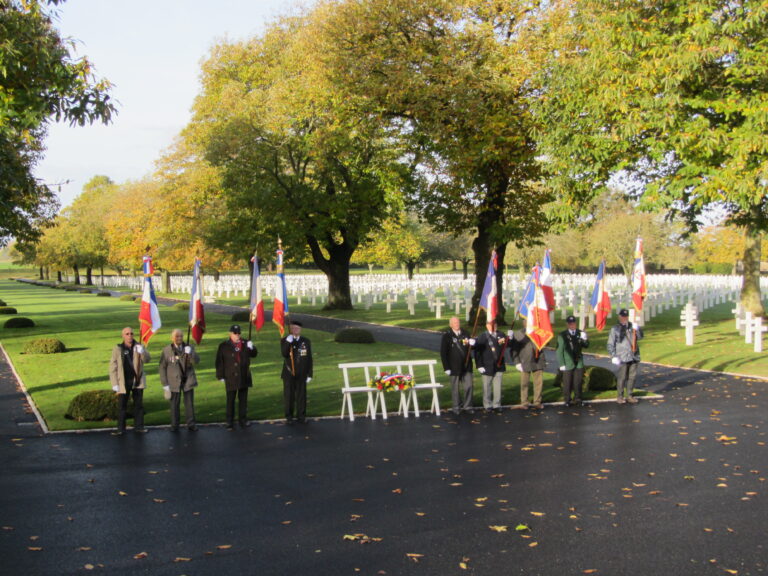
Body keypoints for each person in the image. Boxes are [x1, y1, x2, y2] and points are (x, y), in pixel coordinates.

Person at [109, 326, 151, 435]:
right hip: (123, 381)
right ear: (123, 336)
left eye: (131, 333)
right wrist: (114, 384)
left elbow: (147, 360)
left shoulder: (139, 346)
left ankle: (139, 427)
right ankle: (120, 429)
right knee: (122, 406)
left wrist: (142, 352)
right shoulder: (118, 348)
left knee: (138, 405)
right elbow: (113, 367)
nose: (130, 336)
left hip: (137, 380)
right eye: (127, 334)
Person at [215, 325, 257, 429]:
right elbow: (219, 361)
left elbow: (254, 354)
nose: (237, 335)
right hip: (230, 375)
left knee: (243, 400)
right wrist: (220, 375)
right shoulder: (224, 345)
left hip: (244, 375)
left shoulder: (246, 343)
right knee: (230, 399)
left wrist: (252, 347)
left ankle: (243, 420)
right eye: (235, 333)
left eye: (238, 333)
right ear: (230, 334)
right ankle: (229, 421)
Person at [158, 328, 200, 431]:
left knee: (189, 403)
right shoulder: (167, 350)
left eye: (181, 336)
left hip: (188, 379)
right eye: (177, 336)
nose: (179, 338)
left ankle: (191, 424)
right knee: (174, 404)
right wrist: (165, 384)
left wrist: (191, 354)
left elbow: (197, 361)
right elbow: (162, 367)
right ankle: (174, 425)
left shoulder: (189, 347)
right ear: (172, 338)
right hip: (173, 381)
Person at [440, 316, 475, 414]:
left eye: (458, 322)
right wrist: (446, 367)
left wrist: (473, 344)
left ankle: (468, 406)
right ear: (450, 324)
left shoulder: (465, 333)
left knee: (469, 386)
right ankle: (456, 407)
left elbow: (470, 348)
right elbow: (443, 353)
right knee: (455, 388)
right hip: (453, 366)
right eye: (454, 323)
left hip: (467, 365)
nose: (457, 324)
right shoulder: (447, 335)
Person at [607, 308, 643, 404]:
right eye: (622, 317)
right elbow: (610, 343)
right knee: (622, 377)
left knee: (632, 377)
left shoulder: (632, 326)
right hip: (622, 356)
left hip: (634, 355)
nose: (624, 318)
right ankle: (620, 396)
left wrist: (638, 329)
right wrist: (613, 355)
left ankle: (630, 395)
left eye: (626, 317)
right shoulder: (615, 328)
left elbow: (640, 337)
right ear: (619, 317)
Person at [280, 320, 313, 423]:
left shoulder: (306, 341)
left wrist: (310, 373)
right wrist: (288, 342)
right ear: (290, 329)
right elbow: (284, 354)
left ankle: (301, 416)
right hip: (289, 373)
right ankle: (289, 417)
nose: (295, 330)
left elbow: (309, 358)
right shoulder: (285, 340)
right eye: (293, 328)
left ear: (300, 330)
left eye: (297, 328)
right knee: (289, 396)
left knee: (301, 396)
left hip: (302, 373)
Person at [509, 323, 547, 409]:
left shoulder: (539, 332)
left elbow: (546, 343)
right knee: (524, 383)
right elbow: (514, 350)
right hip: (524, 361)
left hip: (538, 360)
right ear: (524, 323)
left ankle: (537, 402)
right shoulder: (518, 334)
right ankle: (524, 402)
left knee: (538, 383)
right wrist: (517, 362)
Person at [473, 318, 507, 413]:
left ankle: (497, 404)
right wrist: (479, 365)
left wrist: (510, 339)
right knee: (487, 386)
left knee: (498, 387)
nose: (494, 327)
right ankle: (487, 405)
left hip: (499, 364)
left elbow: (506, 346)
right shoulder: (482, 336)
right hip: (486, 365)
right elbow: (477, 352)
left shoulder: (501, 335)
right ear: (487, 326)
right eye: (492, 325)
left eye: (495, 325)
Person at [556, 315, 589, 407]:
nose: (572, 325)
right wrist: (562, 363)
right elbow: (559, 351)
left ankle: (578, 398)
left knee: (578, 382)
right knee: (567, 382)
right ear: (567, 324)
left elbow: (586, 345)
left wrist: (584, 338)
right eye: (570, 324)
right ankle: (567, 400)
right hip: (568, 362)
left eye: (573, 323)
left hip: (578, 362)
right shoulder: (562, 335)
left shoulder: (580, 333)